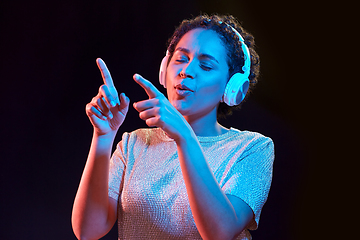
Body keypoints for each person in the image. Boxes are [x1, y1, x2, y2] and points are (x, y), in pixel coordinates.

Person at [71, 14, 274, 240]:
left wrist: (184, 137)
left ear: (232, 87)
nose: (186, 70)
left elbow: (220, 233)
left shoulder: (252, 148)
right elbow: (88, 230)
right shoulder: (133, 143)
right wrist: (103, 137)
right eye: (180, 59)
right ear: (164, 69)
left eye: (206, 66)